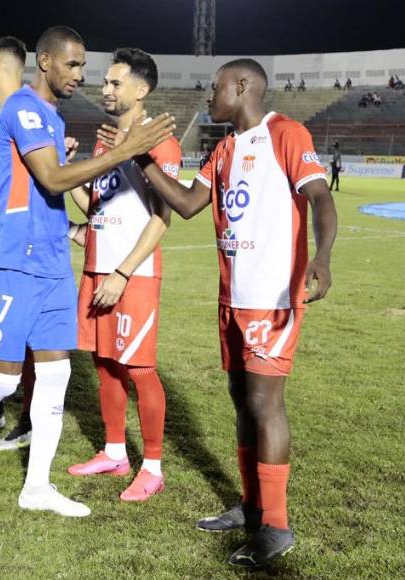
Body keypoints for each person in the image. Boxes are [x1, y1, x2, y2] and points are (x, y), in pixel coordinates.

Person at [115, 58, 337, 567]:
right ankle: (252, 504)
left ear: (242, 86)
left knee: (265, 403)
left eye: (215, 88)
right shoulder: (223, 149)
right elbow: (189, 204)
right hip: (232, 296)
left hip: (271, 295)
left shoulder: (285, 132)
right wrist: (143, 159)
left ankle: (276, 524)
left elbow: (320, 199)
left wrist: (322, 256)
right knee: (241, 398)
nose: (208, 96)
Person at [0, 30, 174, 517]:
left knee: (56, 375)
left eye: (82, 67)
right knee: (5, 379)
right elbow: (51, 177)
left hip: (51, 265)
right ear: (44, 62)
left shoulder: (51, 116)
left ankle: (37, 488)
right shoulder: (24, 108)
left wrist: (75, 224)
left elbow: (52, 188)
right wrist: (125, 150)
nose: (79, 76)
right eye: (72, 66)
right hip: (12, 263)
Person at [64, 48, 179, 502]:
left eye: (115, 83)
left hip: (132, 275)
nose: (105, 90)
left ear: (140, 89)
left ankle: (152, 466)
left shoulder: (159, 141)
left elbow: (161, 218)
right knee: (104, 363)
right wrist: (67, 174)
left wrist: (123, 272)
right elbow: (95, 205)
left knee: (140, 369)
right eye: (105, 83)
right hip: (96, 269)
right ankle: (115, 451)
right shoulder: (106, 138)